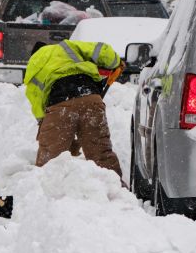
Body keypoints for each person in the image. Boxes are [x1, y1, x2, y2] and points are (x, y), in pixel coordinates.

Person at [24, 39, 123, 181]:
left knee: (50, 162)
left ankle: (45, 196)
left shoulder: (33, 64)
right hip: (91, 98)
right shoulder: (66, 47)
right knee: (101, 153)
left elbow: (36, 101)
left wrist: (46, 126)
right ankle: (116, 193)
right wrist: (116, 61)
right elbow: (102, 50)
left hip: (59, 105)